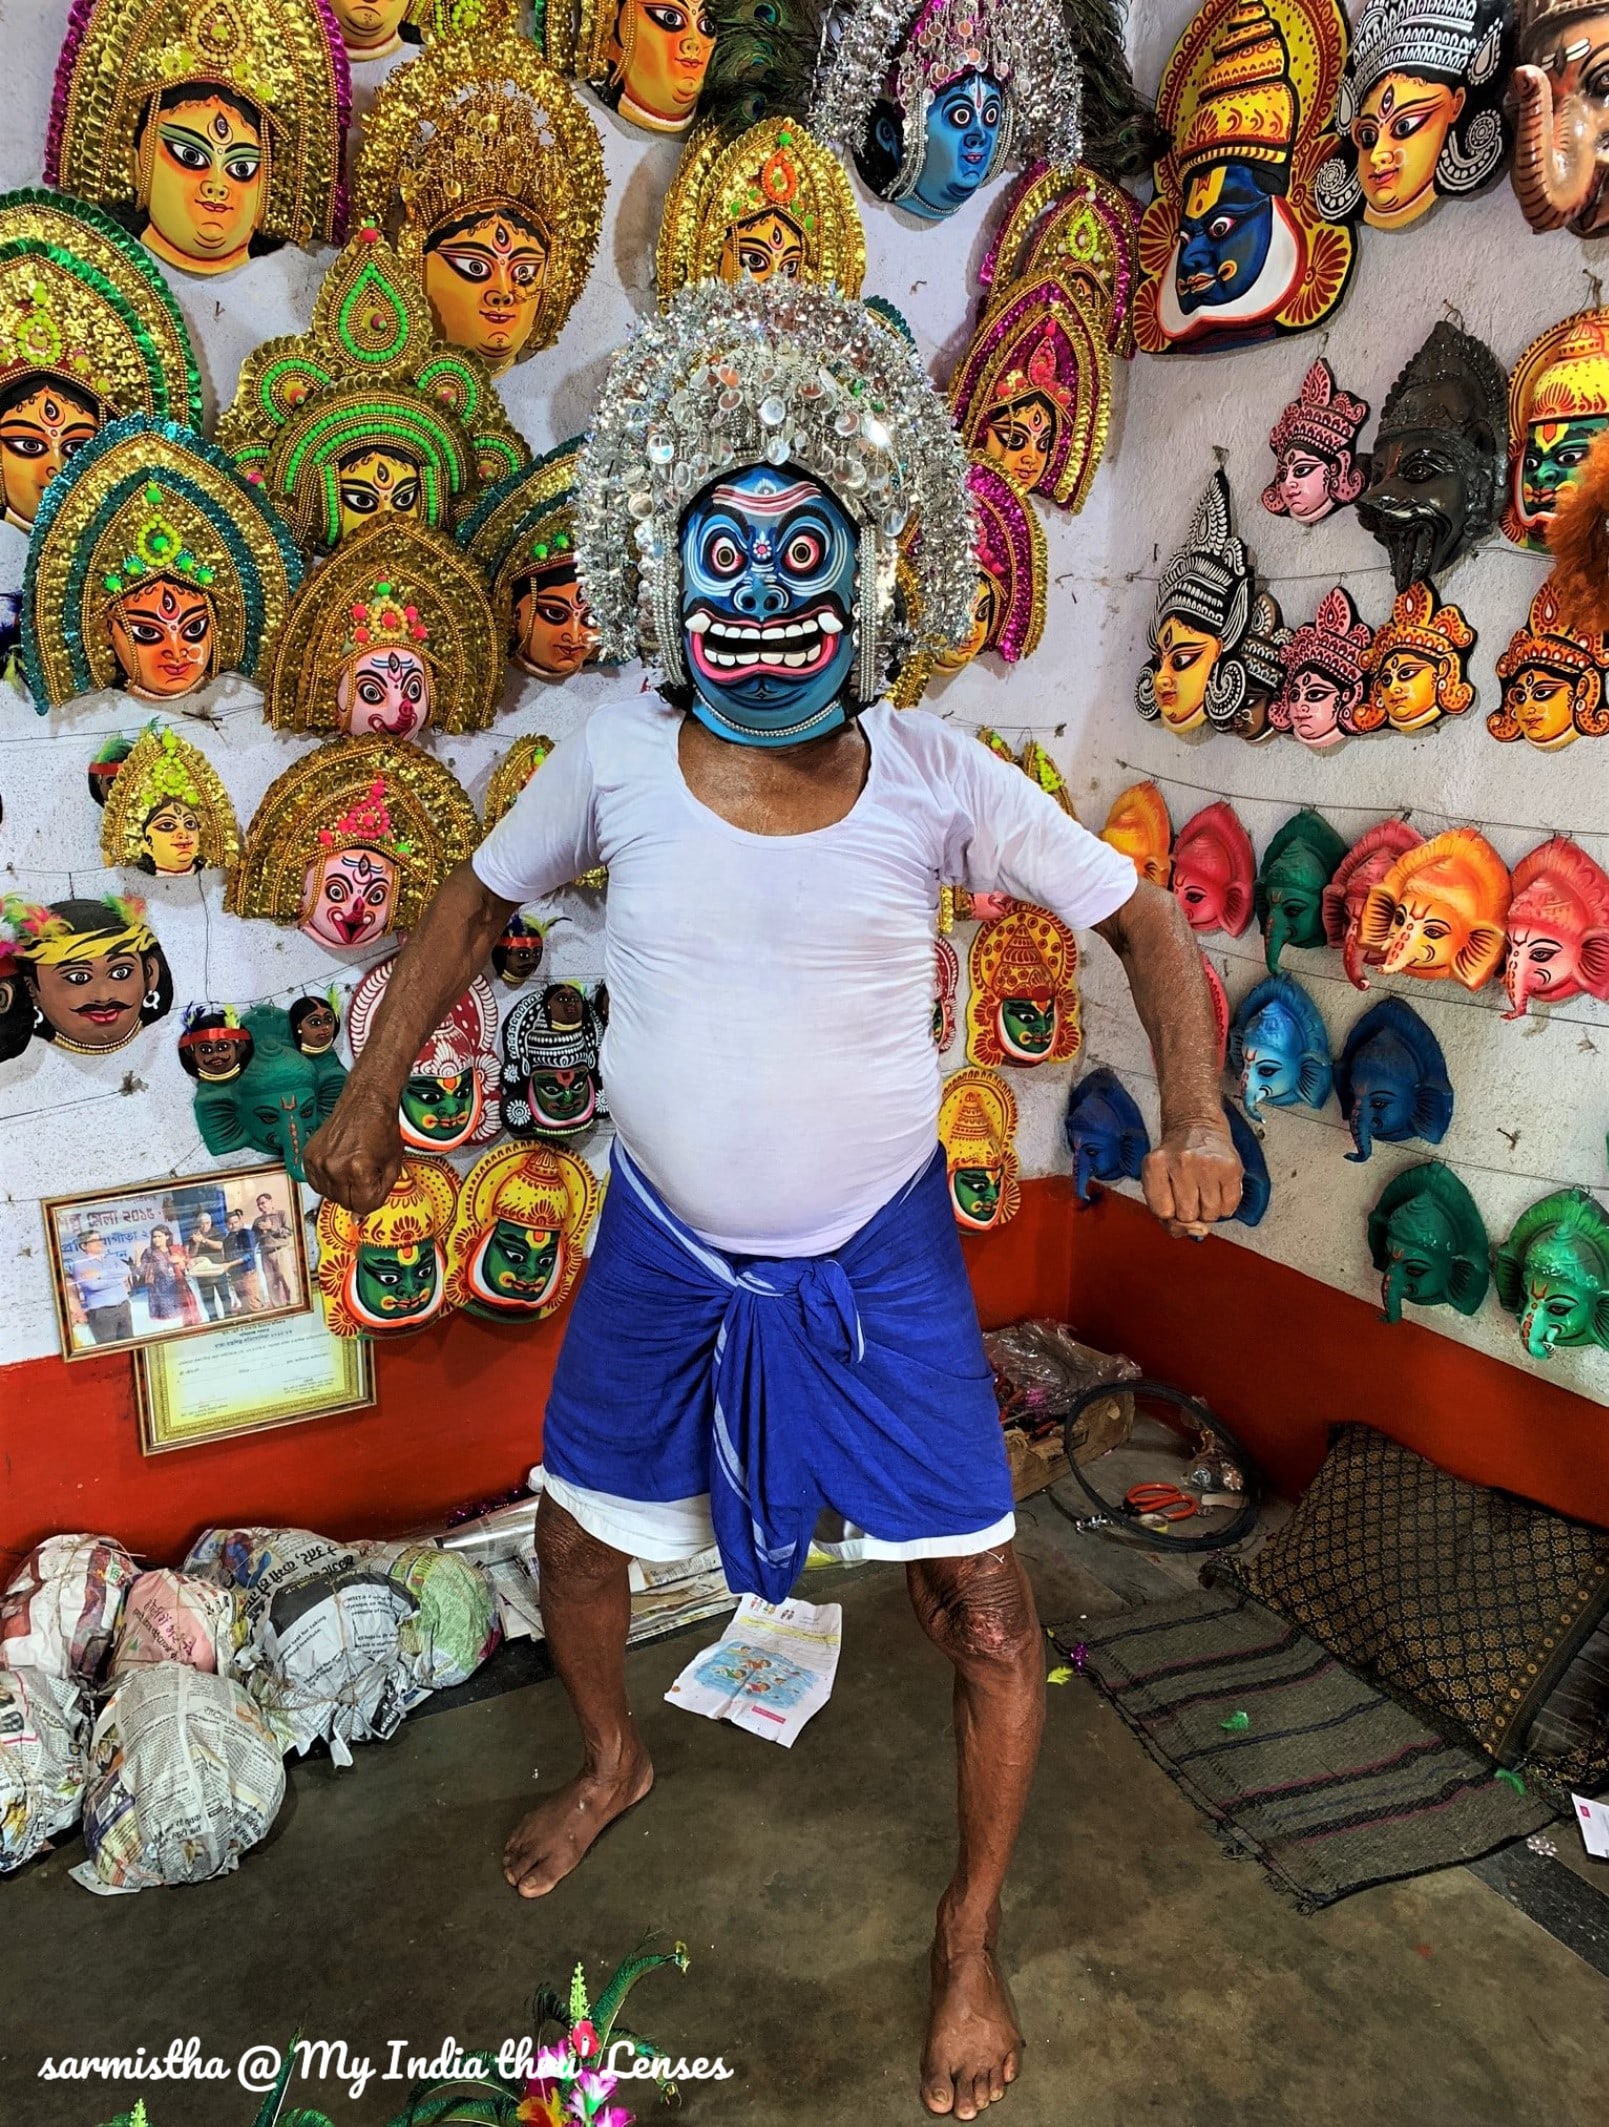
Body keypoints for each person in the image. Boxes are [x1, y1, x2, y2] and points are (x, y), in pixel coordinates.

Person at [305, 282, 1242, 2124]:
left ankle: (965, 1934)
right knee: (574, 1547)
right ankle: (608, 1757)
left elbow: (1138, 914)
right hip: (657, 1249)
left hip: (877, 1268)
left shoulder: (937, 777)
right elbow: (462, 910)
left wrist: (1193, 1109)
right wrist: (364, 1086)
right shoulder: (605, 760)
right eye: (715, 554)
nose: (752, 588)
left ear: (868, 575)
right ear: (668, 585)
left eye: (793, 549)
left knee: (980, 1612)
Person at [66, 1231, 135, 1346]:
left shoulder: (112, 1258)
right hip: (102, 1313)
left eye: (100, 1239)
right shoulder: (80, 1264)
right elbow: (92, 1285)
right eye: (94, 1240)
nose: (100, 1243)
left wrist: (100, 1274)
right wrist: (118, 1280)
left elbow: (126, 1271)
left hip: (123, 1307)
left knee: (129, 1346)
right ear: (84, 1246)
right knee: (109, 1349)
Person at [135, 1224, 201, 1327]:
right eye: (154, 1237)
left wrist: (180, 1261)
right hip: (161, 1291)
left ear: (167, 1236)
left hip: (179, 1287)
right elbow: (141, 1272)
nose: (156, 1239)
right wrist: (137, 1259)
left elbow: (187, 1266)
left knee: (185, 1317)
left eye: (159, 1236)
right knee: (170, 1322)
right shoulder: (149, 1252)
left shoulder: (176, 1249)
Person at [186, 1209, 234, 1321]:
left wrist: (203, 1240)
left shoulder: (217, 1231)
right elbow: (191, 1254)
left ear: (211, 1222)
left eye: (207, 1223)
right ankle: (214, 1321)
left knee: (225, 1296)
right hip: (203, 1273)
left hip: (217, 1268)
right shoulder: (193, 1235)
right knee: (208, 1300)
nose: (204, 1226)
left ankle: (229, 1319)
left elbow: (219, 1246)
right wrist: (197, 1242)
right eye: (201, 1223)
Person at [252, 1191, 296, 1308]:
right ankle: (277, 1308)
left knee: (288, 1281)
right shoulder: (257, 1221)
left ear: (271, 1201)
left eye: (263, 1203)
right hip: (265, 1255)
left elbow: (289, 1232)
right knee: (271, 1284)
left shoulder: (281, 1214)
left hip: (280, 1252)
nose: (261, 1206)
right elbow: (253, 1239)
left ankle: (292, 1306)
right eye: (259, 1205)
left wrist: (271, 1227)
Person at [223, 1207, 263, 1313]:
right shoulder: (226, 1240)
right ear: (226, 1225)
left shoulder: (247, 1233)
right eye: (230, 1223)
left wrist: (230, 1264)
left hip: (247, 1274)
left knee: (253, 1303)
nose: (234, 1225)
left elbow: (249, 1255)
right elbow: (227, 1258)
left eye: (236, 1222)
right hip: (235, 1276)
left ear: (240, 1221)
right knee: (244, 1305)